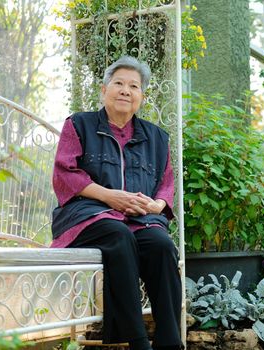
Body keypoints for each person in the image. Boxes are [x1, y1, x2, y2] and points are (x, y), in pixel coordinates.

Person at [51, 56, 182, 350]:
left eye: (133, 86)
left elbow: (166, 183)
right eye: (119, 83)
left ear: (141, 97)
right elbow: (65, 174)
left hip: (140, 218)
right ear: (104, 90)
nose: (125, 90)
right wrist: (110, 197)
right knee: (117, 233)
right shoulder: (79, 125)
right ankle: (137, 342)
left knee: (161, 245)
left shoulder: (157, 138)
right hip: (88, 216)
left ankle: (170, 342)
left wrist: (157, 206)